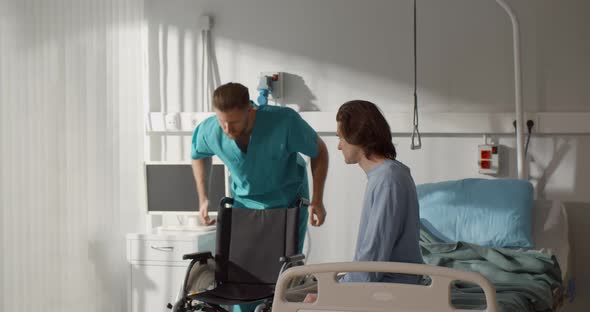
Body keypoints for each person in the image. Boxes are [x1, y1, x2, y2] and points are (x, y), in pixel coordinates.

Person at [191, 82, 329, 311]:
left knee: (280, 279)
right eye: (221, 121)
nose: (227, 129)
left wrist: (317, 200)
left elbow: (319, 151)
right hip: (245, 207)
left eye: (233, 122)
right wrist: (203, 198)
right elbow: (198, 154)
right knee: (241, 276)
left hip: (287, 205)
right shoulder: (211, 129)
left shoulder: (284, 122)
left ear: (250, 110)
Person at [302, 100, 423, 304]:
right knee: (300, 292)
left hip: (390, 291)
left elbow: (372, 262)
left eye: (341, 137)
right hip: (382, 284)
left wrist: (333, 294)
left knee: (293, 301)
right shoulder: (386, 176)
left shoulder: (388, 180)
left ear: (357, 135)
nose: (339, 146)